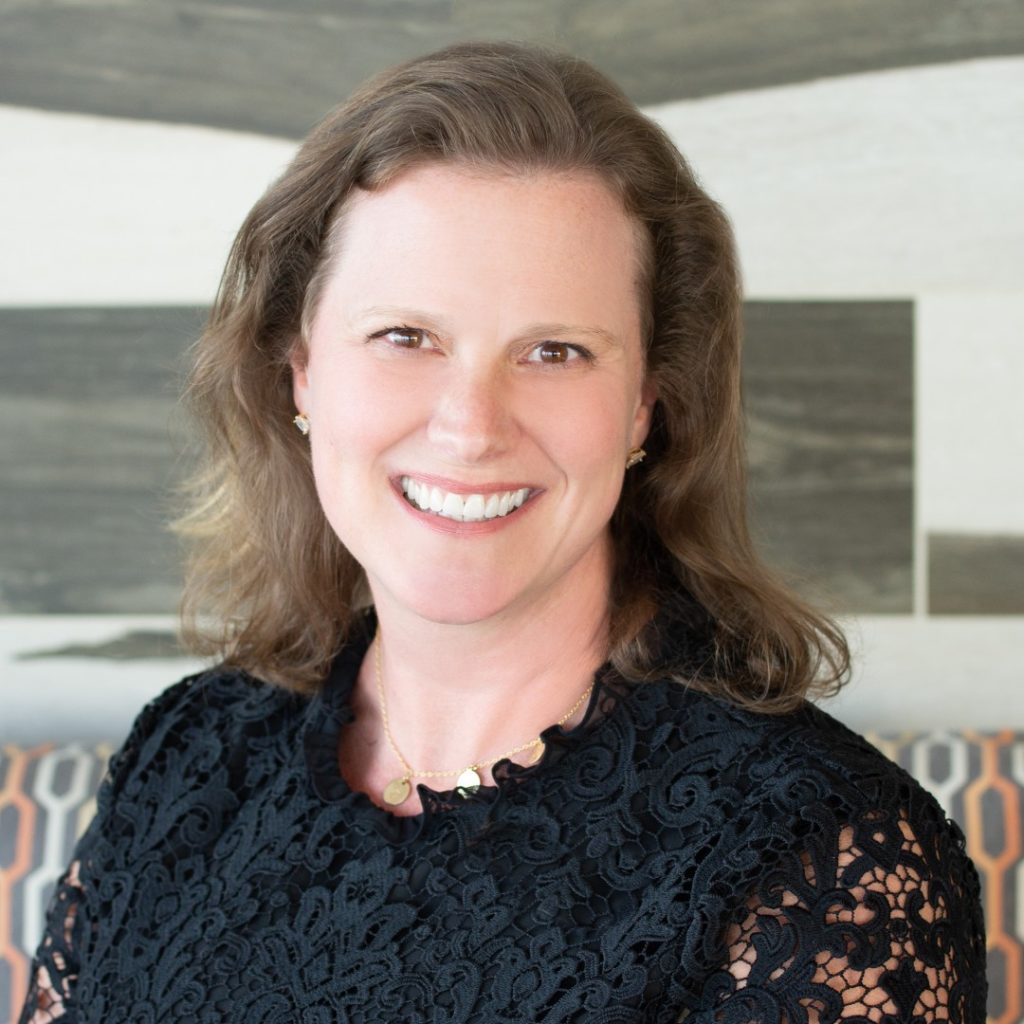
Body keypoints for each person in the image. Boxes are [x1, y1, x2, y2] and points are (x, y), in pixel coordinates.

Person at [21, 41, 985, 1023]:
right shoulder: (188, 756)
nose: (470, 426)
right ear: (301, 367)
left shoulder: (822, 859)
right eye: (406, 337)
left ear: (645, 404)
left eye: (555, 351)